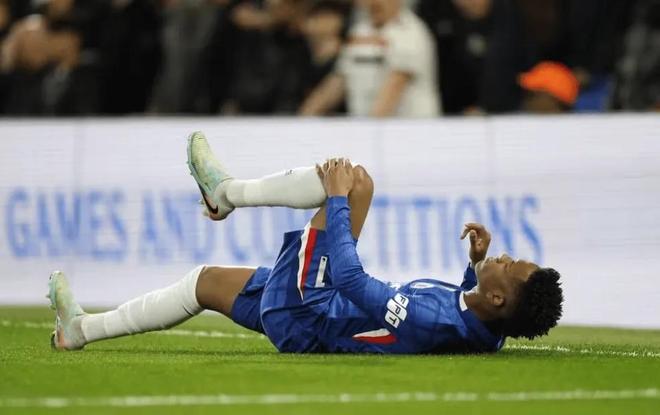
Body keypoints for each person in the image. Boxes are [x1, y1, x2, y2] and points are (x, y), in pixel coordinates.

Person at [49, 132, 563, 354]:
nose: (506, 256)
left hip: (312, 308)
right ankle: (80, 330)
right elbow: (473, 311)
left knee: (350, 180)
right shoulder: (488, 324)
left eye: (511, 265)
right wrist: (475, 268)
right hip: (308, 319)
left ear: (501, 297)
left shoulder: (431, 320)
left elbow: (351, 279)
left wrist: (335, 201)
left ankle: (225, 194)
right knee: (202, 283)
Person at [299, 0, 440, 117]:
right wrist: (304, 116)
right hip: (368, 128)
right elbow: (339, 81)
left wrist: (368, 129)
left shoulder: (411, 32)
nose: (371, 3)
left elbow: (395, 86)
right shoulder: (360, 31)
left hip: (408, 131)